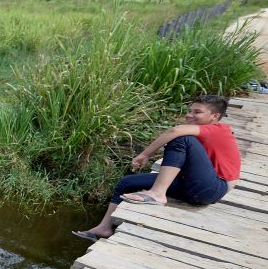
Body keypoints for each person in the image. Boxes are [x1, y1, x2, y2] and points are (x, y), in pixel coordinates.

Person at [73, 95, 241, 241]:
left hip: (214, 189)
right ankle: (104, 227)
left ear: (215, 116)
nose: (189, 115)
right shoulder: (202, 130)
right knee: (126, 183)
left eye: (197, 112)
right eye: (189, 111)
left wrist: (145, 154)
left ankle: (158, 194)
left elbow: (176, 130)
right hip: (195, 186)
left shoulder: (219, 129)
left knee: (181, 139)